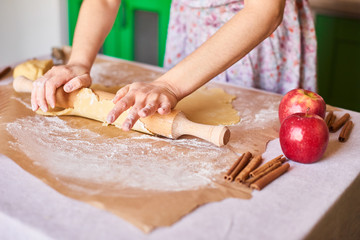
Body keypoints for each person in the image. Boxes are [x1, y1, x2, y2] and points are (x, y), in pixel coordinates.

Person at [31, 0, 316, 131]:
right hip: (189, 27)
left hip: (253, 37)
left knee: (252, 134)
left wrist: (170, 84)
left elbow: (264, 11)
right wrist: (79, 61)